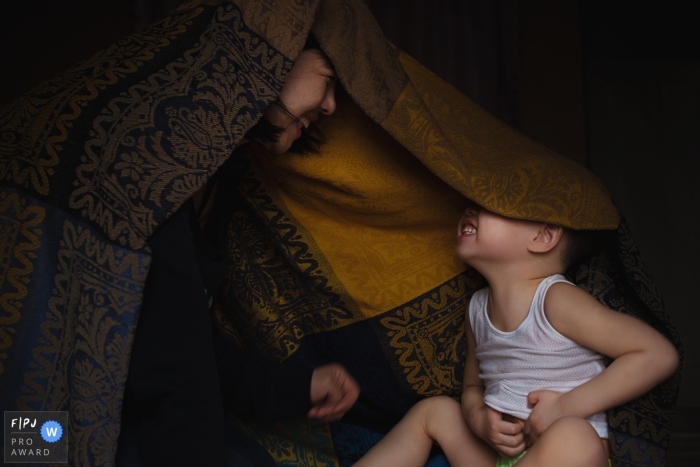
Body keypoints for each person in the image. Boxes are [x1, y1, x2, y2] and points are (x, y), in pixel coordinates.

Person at [115, 44, 358, 467]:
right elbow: (176, 381)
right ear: (267, 50)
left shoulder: (217, 178)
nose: (331, 105)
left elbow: (187, 345)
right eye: (326, 76)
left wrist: (298, 387)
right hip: (53, 422)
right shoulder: (148, 170)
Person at [352, 200, 679, 467]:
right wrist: (478, 417)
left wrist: (566, 408)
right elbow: (471, 386)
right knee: (434, 412)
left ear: (543, 236)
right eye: (469, 202)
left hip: (565, 458)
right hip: (502, 459)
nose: (468, 209)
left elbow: (656, 354)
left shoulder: (555, 300)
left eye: (490, 204)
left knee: (574, 437)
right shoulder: (477, 309)